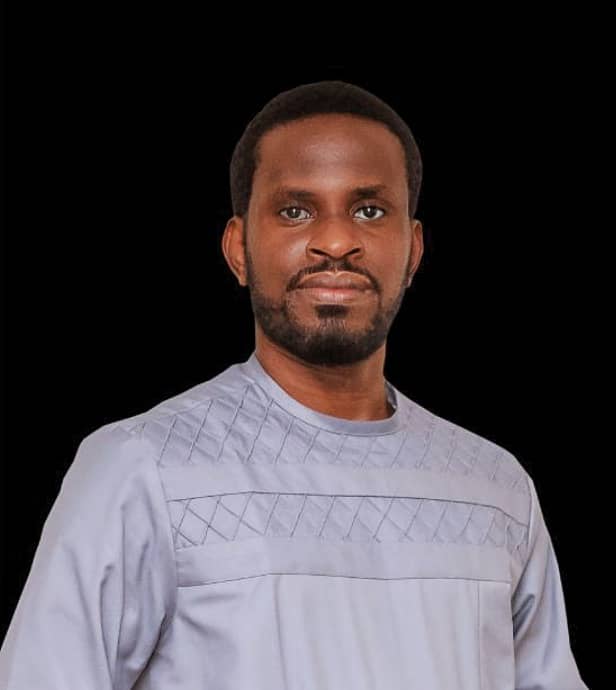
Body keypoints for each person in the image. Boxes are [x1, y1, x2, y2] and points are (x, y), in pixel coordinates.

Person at [0, 80, 588, 689]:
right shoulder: (142, 470)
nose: (335, 242)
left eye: (368, 210)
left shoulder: (496, 488)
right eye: (295, 211)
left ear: (413, 250)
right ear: (239, 249)